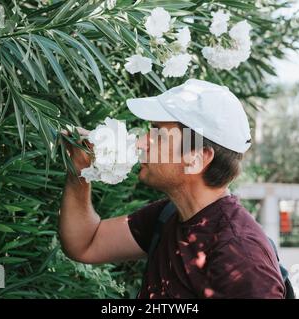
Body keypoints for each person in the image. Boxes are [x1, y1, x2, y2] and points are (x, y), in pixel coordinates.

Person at [59, 79, 286, 298]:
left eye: (157, 133)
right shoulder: (168, 215)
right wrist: (80, 169)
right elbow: (85, 244)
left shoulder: (240, 257)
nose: (141, 143)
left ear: (196, 157)